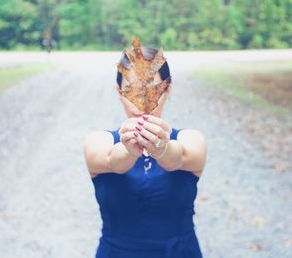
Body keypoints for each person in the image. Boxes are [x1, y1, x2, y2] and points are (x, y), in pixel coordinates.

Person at [83, 38, 207, 258]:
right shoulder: (97, 141)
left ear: (167, 90)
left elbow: (177, 159)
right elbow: (113, 161)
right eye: (130, 90)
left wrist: (161, 149)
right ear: (119, 92)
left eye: (150, 90)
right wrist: (130, 149)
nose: (140, 102)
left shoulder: (192, 139)